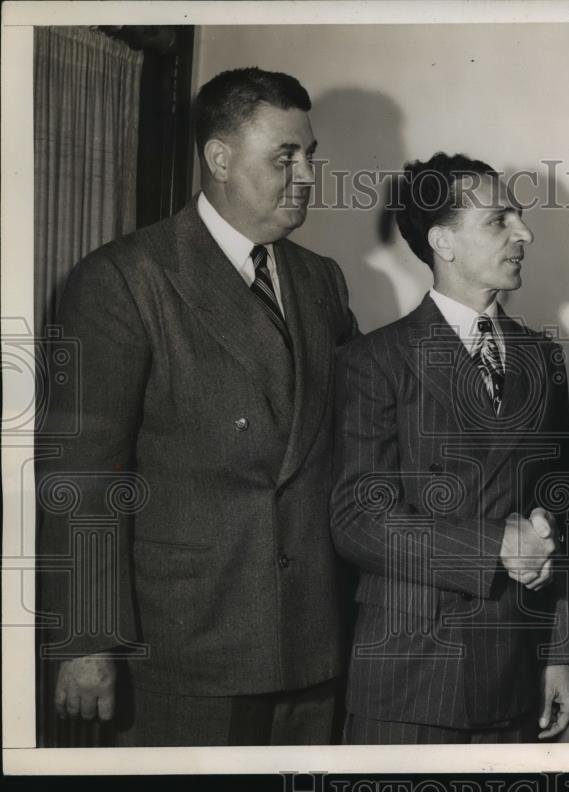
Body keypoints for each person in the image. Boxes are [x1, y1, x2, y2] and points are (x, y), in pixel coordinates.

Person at [37, 67, 358, 746]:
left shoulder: (319, 279)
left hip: (311, 641)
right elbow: (85, 476)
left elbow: (355, 430)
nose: (306, 176)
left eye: (310, 156)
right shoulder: (124, 279)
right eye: (285, 157)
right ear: (218, 158)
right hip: (187, 648)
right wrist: (87, 640)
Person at [331, 152, 569, 744]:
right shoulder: (375, 360)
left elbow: (551, 513)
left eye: (519, 218)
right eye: (500, 220)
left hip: (515, 676)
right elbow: (356, 520)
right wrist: (495, 547)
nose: (525, 233)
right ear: (443, 241)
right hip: (410, 678)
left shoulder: (542, 359)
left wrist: (557, 654)